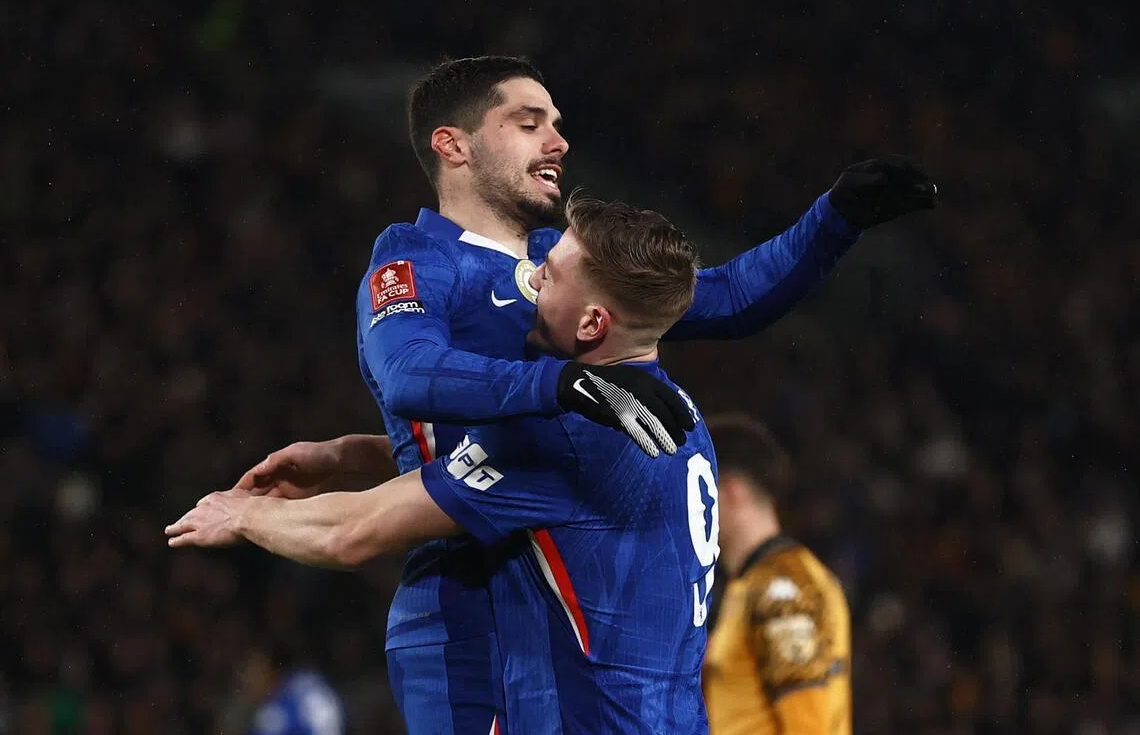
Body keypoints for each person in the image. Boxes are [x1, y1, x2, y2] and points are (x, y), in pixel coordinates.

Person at [234, 56, 934, 733]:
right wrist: (564, 382)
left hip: (571, 588)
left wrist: (835, 219)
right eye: (529, 121)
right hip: (467, 602)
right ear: (454, 145)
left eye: (557, 122)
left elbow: (723, 297)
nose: (558, 140)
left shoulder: (566, 260)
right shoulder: (415, 262)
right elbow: (410, 374)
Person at [169, 194, 720, 733]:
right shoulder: (675, 417)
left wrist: (241, 514)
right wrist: (347, 458)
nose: (529, 285)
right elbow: (529, 478)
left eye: (548, 277)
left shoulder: (569, 432)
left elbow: (353, 533)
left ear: (591, 325)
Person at [702, 415, 851, 735]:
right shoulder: (756, 584)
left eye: (700, 487)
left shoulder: (780, 586)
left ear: (731, 491)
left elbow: (809, 726)